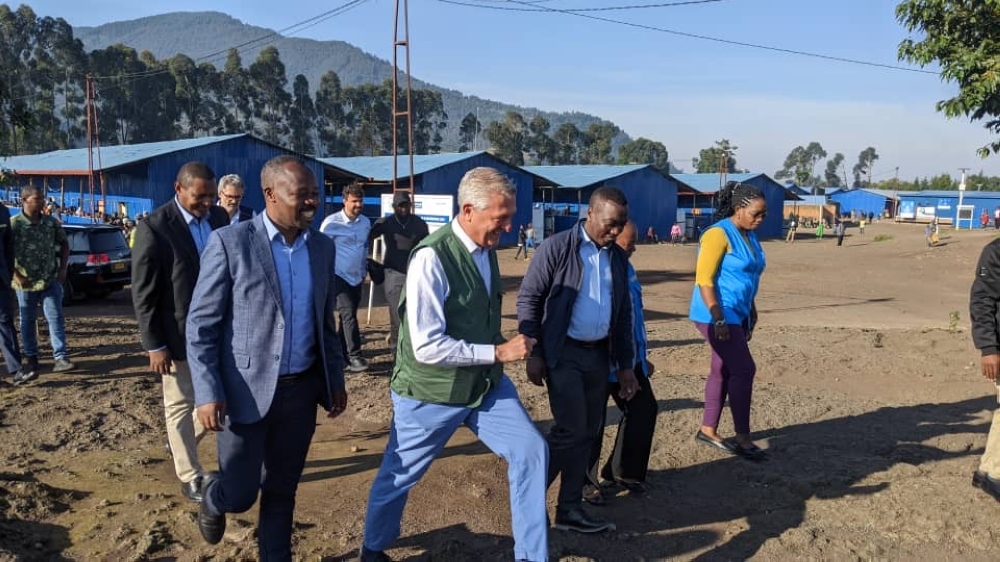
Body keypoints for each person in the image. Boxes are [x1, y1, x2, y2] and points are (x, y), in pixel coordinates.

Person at [360, 167, 547, 562]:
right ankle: (373, 548)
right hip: (431, 391)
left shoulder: (485, 249)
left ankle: (532, 556)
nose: (510, 226)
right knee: (399, 475)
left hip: (482, 387)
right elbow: (427, 346)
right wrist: (498, 353)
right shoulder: (431, 257)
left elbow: (478, 317)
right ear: (468, 210)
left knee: (531, 450)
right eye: (501, 217)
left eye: (509, 216)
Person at [186, 156, 346, 559]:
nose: (312, 203)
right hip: (243, 394)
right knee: (240, 494)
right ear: (271, 195)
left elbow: (325, 322)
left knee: (281, 491)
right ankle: (213, 496)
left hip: (300, 392)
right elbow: (201, 326)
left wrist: (336, 378)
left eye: (314, 195)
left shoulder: (323, 248)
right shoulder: (230, 243)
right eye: (301, 195)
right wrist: (207, 392)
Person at [517, 186, 638, 534]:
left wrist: (626, 365)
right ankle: (526, 500)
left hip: (598, 356)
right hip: (563, 353)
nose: (616, 232)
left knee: (587, 433)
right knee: (570, 430)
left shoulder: (616, 257)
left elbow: (623, 314)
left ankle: (569, 510)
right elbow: (529, 300)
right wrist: (534, 351)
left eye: (622, 225)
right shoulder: (557, 248)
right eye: (611, 224)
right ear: (590, 214)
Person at [131, 162, 230, 503]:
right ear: (178, 188)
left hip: (219, 329)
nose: (206, 203)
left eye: (210, 197)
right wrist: (153, 344)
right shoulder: (155, 228)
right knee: (180, 404)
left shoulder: (219, 219)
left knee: (223, 398)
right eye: (199, 197)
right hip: (177, 335)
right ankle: (190, 475)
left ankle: (178, 440)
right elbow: (143, 293)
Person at [690, 181, 768, 460]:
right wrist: (719, 319)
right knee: (744, 369)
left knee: (722, 369)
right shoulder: (717, 234)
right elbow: (705, 280)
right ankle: (743, 438)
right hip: (715, 314)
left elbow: (747, 278)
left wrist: (752, 309)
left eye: (763, 215)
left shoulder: (748, 234)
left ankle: (708, 430)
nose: (760, 219)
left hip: (738, 312)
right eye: (755, 214)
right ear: (739, 209)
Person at [584, 221, 658, 504]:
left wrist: (641, 357)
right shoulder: (594, 271)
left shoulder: (627, 269)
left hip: (630, 358)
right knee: (593, 421)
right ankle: (584, 483)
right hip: (601, 360)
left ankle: (623, 472)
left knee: (644, 409)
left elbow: (633, 319)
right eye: (631, 243)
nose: (635, 248)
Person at [12, 185, 74, 375]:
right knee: (27, 321)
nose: (42, 202)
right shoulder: (14, 224)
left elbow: (64, 244)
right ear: (24, 200)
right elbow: (4, 252)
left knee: (55, 317)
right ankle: (32, 358)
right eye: (37, 199)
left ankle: (60, 357)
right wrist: (17, 275)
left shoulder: (50, 223)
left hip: (49, 280)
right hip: (25, 283)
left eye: (42, 198)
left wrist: (63, 269)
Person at [368, 191, 429, 351]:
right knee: (396, 313)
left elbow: (427, 246)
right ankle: (396, 349)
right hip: (392, 274)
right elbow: (365, 239)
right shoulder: (385, 223)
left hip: (414, 274)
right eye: (400, 205)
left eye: (406, 205)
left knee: (413, 312)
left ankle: (410, 347)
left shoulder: (419, 223)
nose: (404, 208)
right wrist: (368, 262)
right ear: (394, 206)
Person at [320, 183, 371, 373]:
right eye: (354, 201)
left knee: (346, 317)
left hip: (357, 276)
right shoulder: (331, 223)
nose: (358, 205)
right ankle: (354, 356)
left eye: (360, 201)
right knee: (349, 313)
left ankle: (339, 356)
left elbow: (364, 246)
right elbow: (321, 249)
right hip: (338, 275)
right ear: (345, 201)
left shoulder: (365, 222)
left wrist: (364, 267)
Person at [970, 237, 1000, 502]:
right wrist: (988, 348)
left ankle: (987, 471)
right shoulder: (995, 252)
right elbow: (982, 301)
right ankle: (995, 476)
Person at [0, 200, 35, 386]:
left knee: (5, 322)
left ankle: (17, 370)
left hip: (2, 279)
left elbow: (8, 247)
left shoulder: (2, 212)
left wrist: (10, 273)